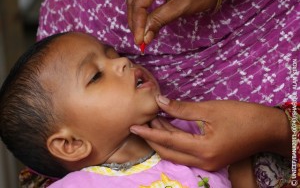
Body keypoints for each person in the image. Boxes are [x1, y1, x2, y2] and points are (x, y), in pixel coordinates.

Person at [1, 32, 242, 187]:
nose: (122, 62)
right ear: (71, 143)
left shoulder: (198, 137)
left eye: (113, 55)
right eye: (96, 76)